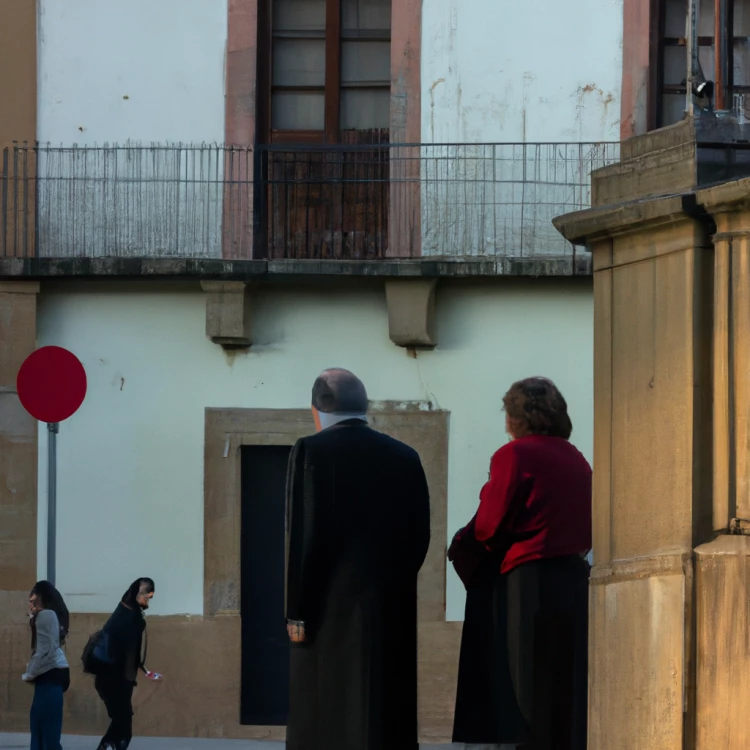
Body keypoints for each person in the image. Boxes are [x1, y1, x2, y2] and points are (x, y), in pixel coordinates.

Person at [285, 368, 431, 750]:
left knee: (326, 713)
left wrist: (297, 611)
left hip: (328, 609)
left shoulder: (311, 450)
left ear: (317, 409)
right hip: (390, 607)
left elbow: (305, 537)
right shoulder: (406, 455)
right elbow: (420, 537)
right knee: (386, 713)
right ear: (364, 407)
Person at [450, 377, 592, 750]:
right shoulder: (576, 457)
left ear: (516, 418)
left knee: (525, 685)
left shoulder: (513, 455)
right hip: (573, 580)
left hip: (528, 582)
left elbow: (488, 526)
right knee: (563, 686)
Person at [93, 578, 160, 750]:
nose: (147, 602)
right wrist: (129, 681)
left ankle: (107, 745)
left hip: (110, 678)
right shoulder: (132, 618)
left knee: (121, 723)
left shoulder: (123, 610)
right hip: (117, 679)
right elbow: (128, 652)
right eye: (147, 597)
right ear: (138, 592)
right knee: (123, 727)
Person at [23, 581, 71, 750]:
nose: (30, 602)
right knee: (45, 729)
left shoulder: (46, 615)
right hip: (53, 676)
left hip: (49, 675)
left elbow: (45, 649)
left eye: (33, 598)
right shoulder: (51, 615)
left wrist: (30, 672)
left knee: (43, 731)